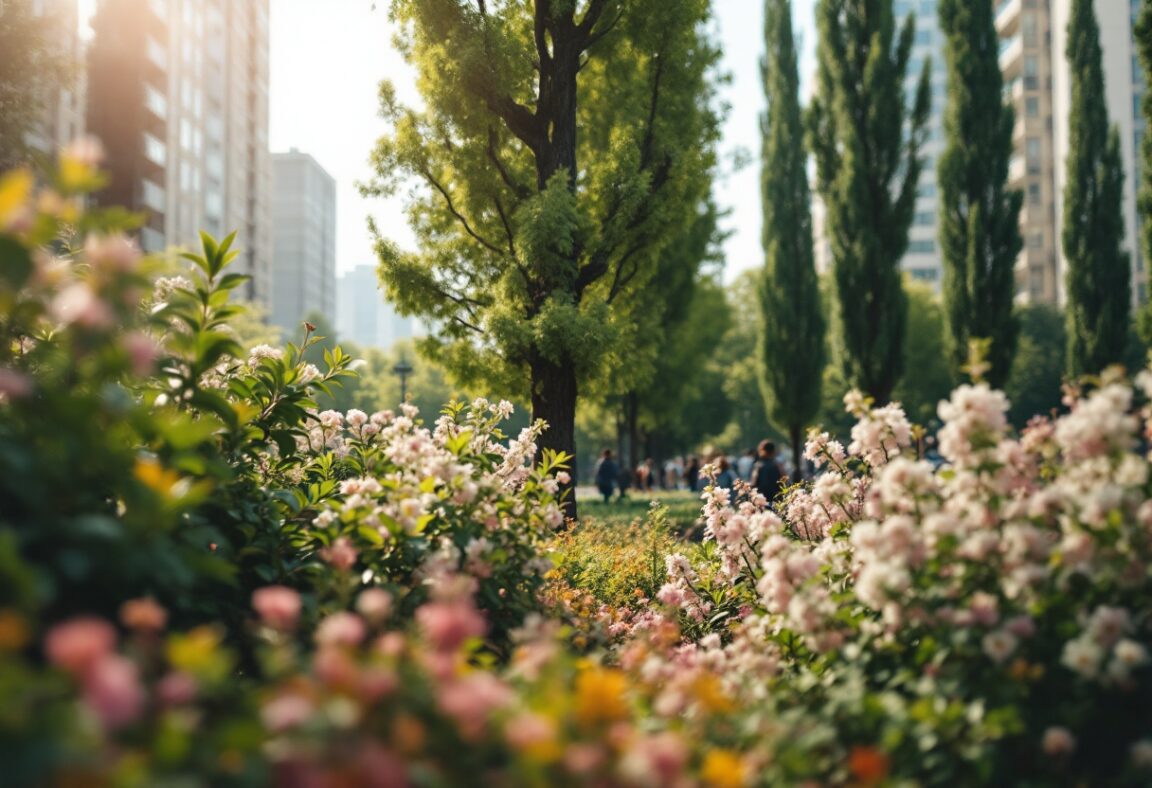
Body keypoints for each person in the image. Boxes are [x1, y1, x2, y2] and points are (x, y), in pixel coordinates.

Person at [751, 440, 785, 504]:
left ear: (761, 450)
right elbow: (784, 479)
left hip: (762, 500)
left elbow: (753, 483)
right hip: (776, 499)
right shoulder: (778, 464)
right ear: (773, 451)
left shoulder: (758, 465)